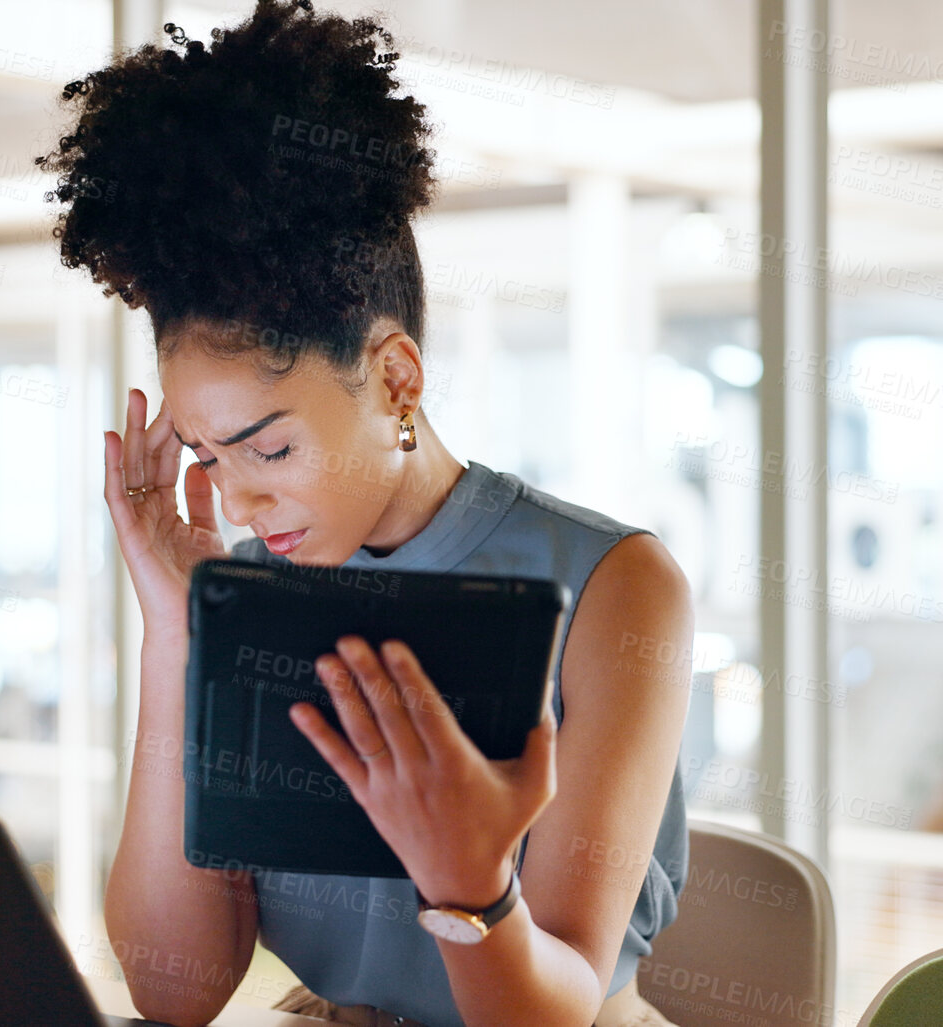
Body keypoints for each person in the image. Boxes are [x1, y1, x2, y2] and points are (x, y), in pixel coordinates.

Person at [41, 3, 692, 1024]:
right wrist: (180, 628)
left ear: (394, 377)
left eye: (271, 447)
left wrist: (470, 878)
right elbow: (176, 991)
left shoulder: (616, 589)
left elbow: (554, 1007)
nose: (244, 500)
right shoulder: (257, 592)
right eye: (211, 457)